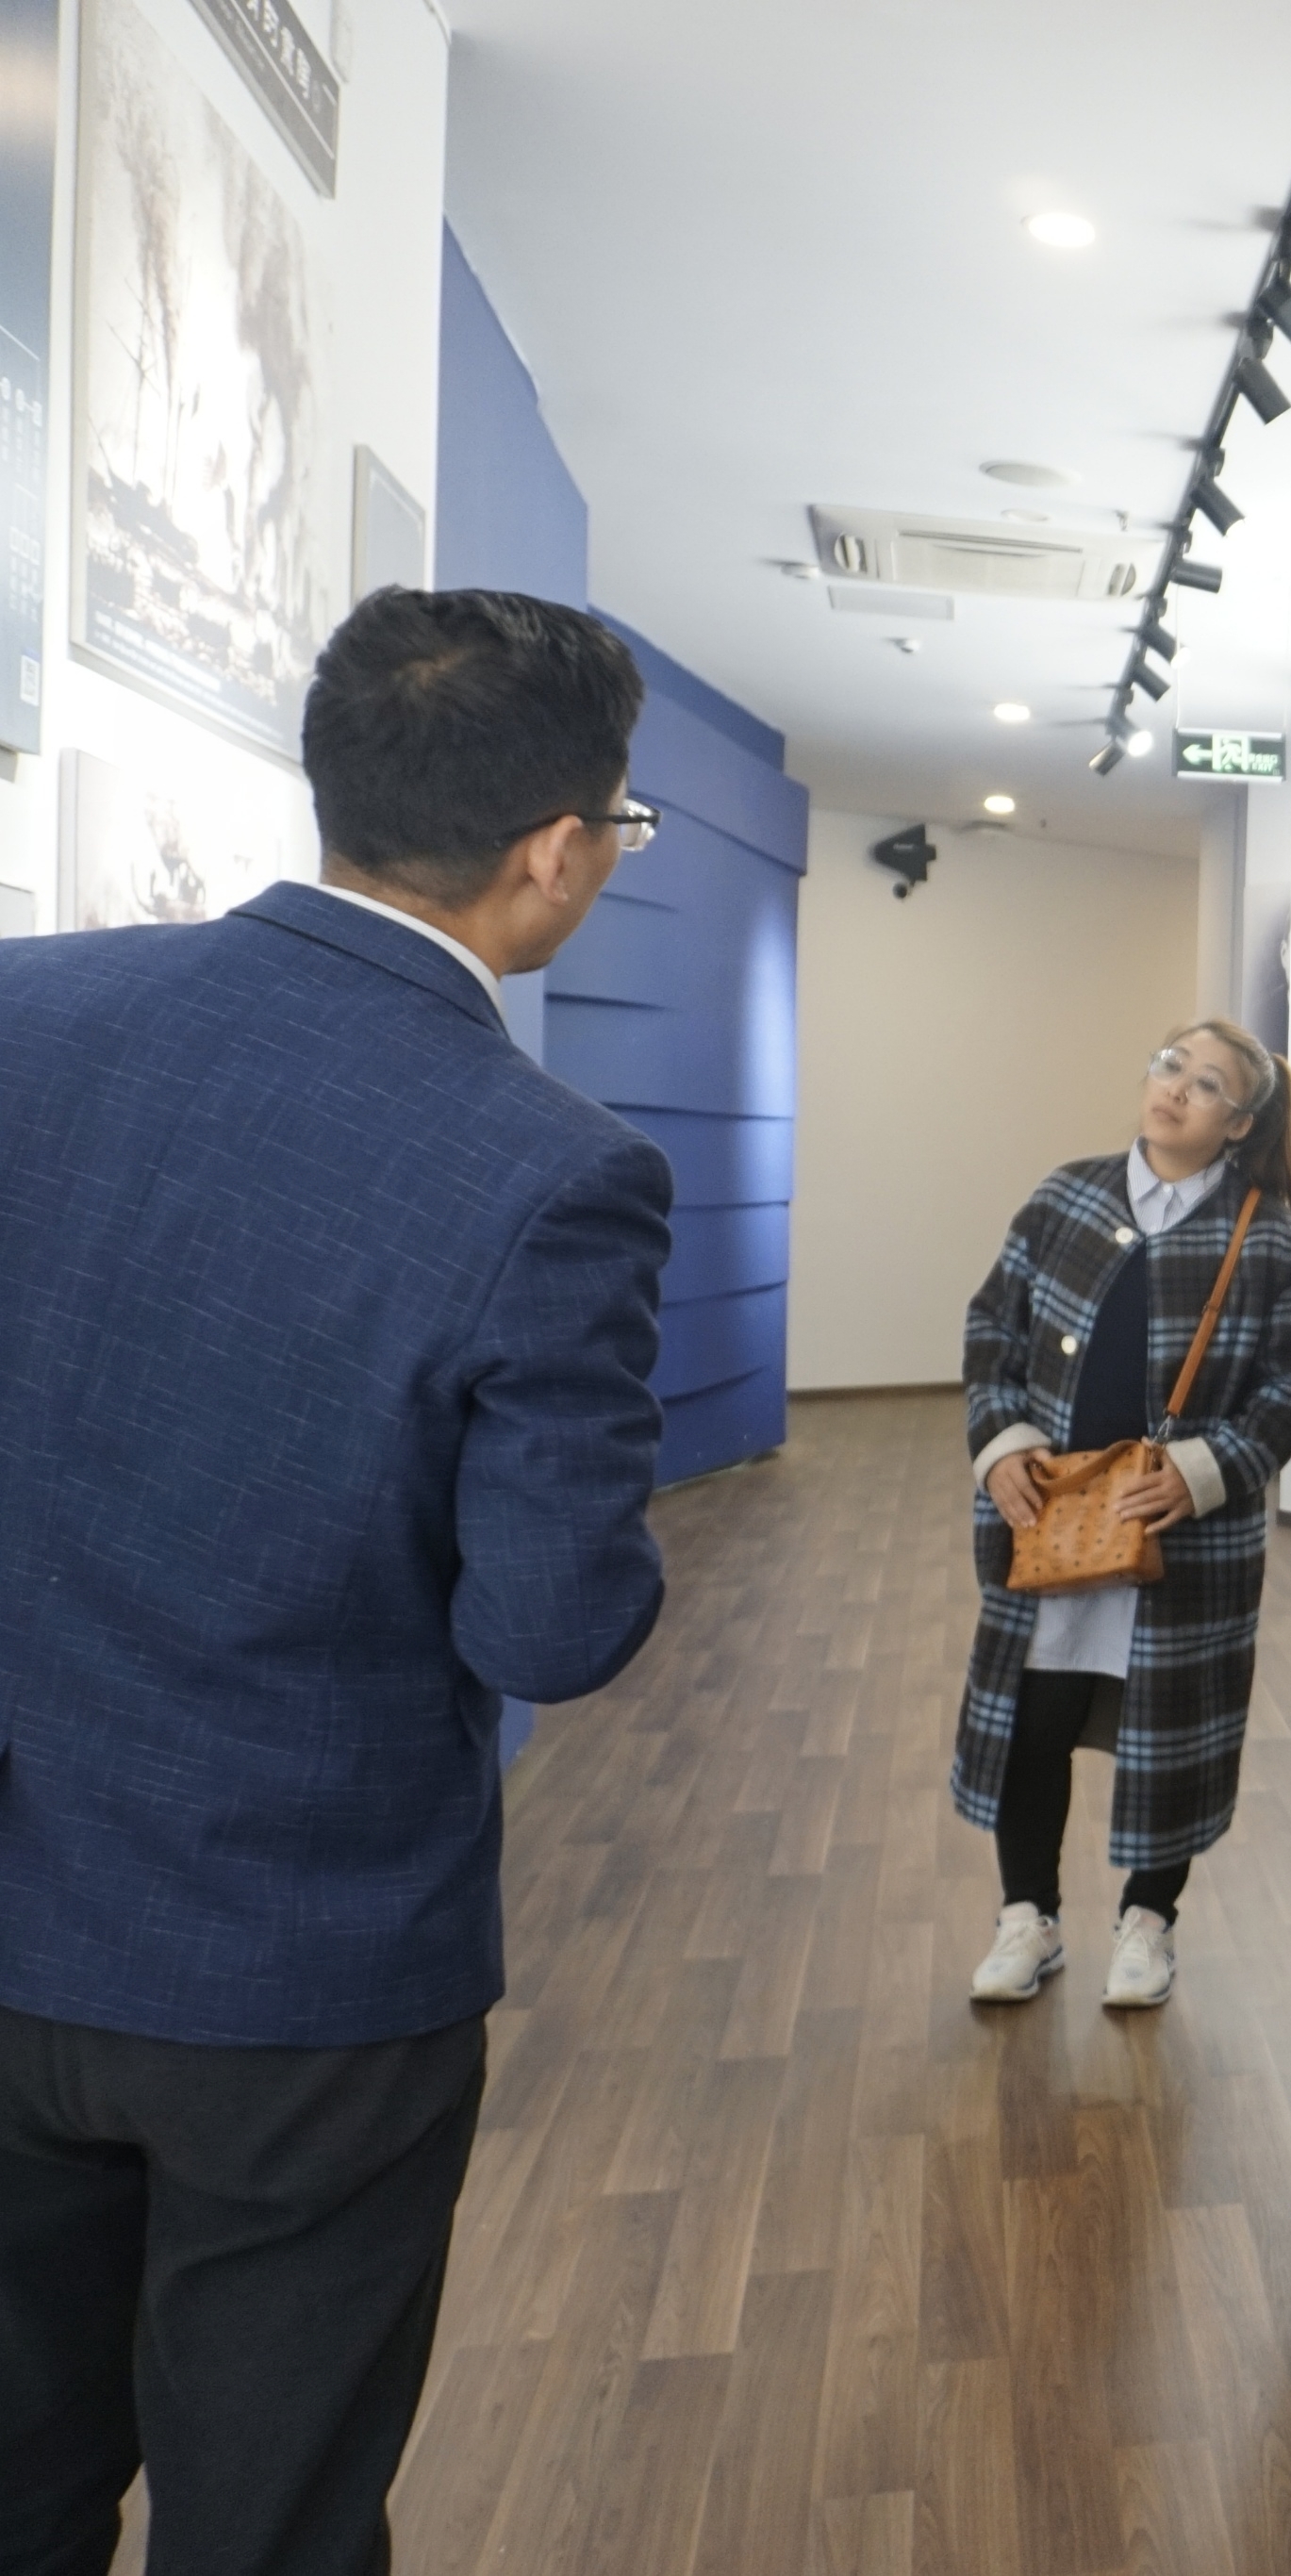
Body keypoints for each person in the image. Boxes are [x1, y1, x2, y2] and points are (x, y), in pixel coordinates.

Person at [0, 587, 671, 2576]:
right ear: (555, 851)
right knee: (269, 2517)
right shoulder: (552, 1169)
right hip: (298, 1970)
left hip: (17, 1904)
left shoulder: (26, 1014)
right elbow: (549, 1625)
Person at [955, 1021, 1291, 2010]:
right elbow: (992, 1326)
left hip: (1181, 1545)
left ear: (1238, 1124)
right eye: (1170, 1066)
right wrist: (1001, 1444)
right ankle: (1026, 1918)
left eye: (1206, 1085)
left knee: (1172, 1732)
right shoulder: (1064, 1196)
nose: (1175, 1089)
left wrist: (1204, 1472)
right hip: (1050, 1524)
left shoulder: (1268, 1239)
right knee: (1034, 1721)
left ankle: (1148, 1924)